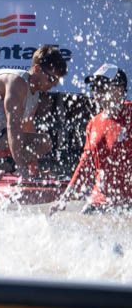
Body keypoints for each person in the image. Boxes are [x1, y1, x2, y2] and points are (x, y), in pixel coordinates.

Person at [56, 64, 132, 212]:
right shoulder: (93, 123)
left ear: (119, 89)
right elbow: (85, 164)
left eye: (101, 87)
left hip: (127, 203)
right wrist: (65, 197)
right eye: (93, 87)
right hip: (98, 201)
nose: (96, 92)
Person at [0, 45, 68, 177]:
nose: (53, 85)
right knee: (12, 135)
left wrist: (34, 169)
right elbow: (13, 126)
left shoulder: (34, 93)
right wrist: (22, 170)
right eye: (52, 79)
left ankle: (6, 166)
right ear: (37, 69)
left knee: (44, 141)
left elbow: (27, 127)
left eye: (57, 81)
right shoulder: (17, 82)